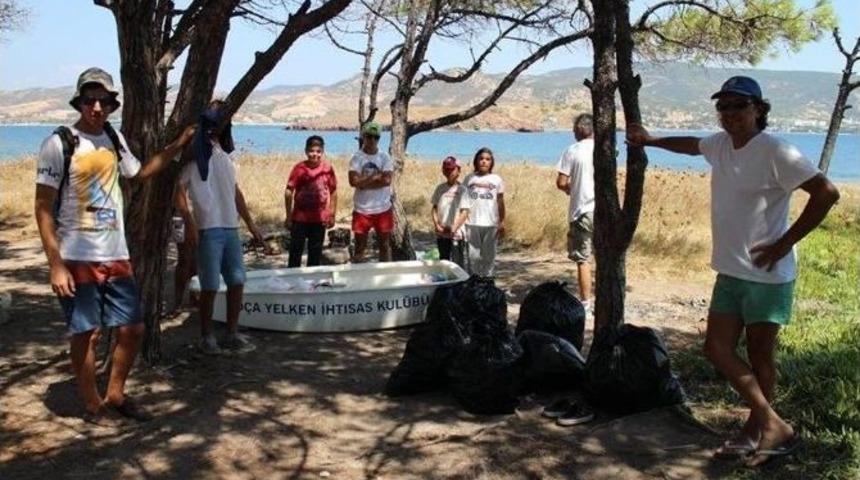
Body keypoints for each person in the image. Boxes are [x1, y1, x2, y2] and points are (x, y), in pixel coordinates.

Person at [626, 76, 840, 468]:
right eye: (723, 107)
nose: (729, 115)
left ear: (758, 109)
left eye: (738, 106)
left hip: (767, 274)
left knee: (761, 355)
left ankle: (756, 429)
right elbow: (692, 146)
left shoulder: (777, 151)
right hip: (730, 270)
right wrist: (651, 141)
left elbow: (826, 193)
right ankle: (773, 425)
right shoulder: (720, 144)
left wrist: (784, 243)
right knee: (717, 349)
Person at [34, 67, 196, 423]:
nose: (96, 106)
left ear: (111, 104)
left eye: (103, 100)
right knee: (87, 333)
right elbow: (43, 206)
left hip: (116, 253)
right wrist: (55, 263)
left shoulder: (112, 136)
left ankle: (116, 394)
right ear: (79, 102)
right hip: (77, 255)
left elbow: (139, 173)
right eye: (89, 100)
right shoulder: (59, 143)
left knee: (133, 328)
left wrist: (177, 146)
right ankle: (92, 404)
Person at [175, 100, 264, 355]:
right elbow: (179, 190)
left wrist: (250, 224)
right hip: (208, 227)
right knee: (210, 284)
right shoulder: (194, 154)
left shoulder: (224, 156)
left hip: (229, 227)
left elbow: (236, 193)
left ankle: (232, 332)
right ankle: (206, 336)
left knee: (237, 280)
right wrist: (190, 222)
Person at [555, 113, 595, 310]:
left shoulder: (572, 151)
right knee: (604, 257)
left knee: (583, 259)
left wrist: (571, 188)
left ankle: (586, 302)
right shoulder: (604, 149)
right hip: (603, 210)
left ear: (578, 131)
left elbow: (561, 182)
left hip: (581, 209)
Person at [451, 147, 506, 277]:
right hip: (472, 223)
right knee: (473, 257)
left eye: (487, 159)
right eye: (481, 159)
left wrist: (502, 222)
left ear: (491, 162)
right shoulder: (469, 179)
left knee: (488, 257)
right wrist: (457, 224)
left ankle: (487, 283)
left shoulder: (496, 179)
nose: (484, 162)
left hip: (491, 224)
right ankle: (474, 283)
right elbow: (464, 204)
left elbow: (500, 202)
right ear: (476, 161)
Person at [284, 135, 338, 267]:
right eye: (312, 151)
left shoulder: (327, 169)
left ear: (322, 151)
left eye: (318, 151)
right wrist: (289, 216)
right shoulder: (299, 168)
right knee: (295, 253)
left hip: (319, 220)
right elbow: (289, 191)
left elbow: (334, 192)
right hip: (300, 219)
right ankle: (292, 280)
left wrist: (332, 214)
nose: (315, 154)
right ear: (306, 151)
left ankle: (312, 283)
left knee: (315, 254)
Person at [348, 121, 394, 263]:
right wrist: (375, 176)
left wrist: (364, 182)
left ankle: (385, 275)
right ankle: (358, 277)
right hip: (362, 209)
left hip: (383, 208)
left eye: (376, 137)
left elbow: (387, 180)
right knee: (360, 248)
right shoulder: (356, 158)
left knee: (384, 246)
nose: (372, 140)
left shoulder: (384, 157)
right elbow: (353, 182)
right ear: (364, 137)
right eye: (369, 136)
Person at [430, 156, 467, 267]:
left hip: (457, 233)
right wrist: (437, 224)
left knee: (456, 264)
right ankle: (446, 283)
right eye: (446, 169)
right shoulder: (440, 188)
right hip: (441, 232)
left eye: (452, 169)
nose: (449, 172)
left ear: (458, 170)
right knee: (444, 261)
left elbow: (465, 212)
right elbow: (434, 208)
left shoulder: (463, 190)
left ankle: (458, 284)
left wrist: (454, 228)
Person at [170, 189, 197, 315]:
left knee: (196, 259)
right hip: (180, 216)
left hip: (197, 213)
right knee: (184, 258)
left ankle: (194, 297)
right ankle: (178, 301)